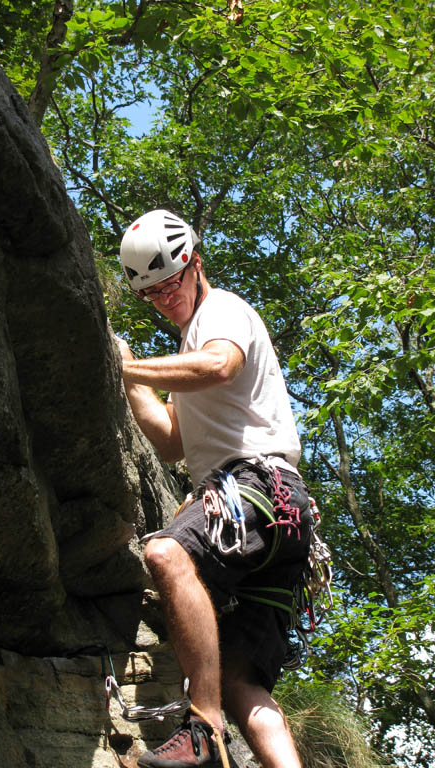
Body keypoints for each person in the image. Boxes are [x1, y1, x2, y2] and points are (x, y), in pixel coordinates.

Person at [116, 209, 311, 768]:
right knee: (241, 680)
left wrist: (134, 372)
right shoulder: (189, 344)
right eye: (150, 293)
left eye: (169, 282)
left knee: (166, 552)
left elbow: (220, 366)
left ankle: (202, 732)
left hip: (254, 487)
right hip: (282, 518)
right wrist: (127, 372)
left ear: (195, 263)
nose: (163, 297)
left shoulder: (221, 312)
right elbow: (173, 440)